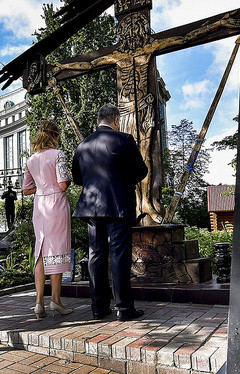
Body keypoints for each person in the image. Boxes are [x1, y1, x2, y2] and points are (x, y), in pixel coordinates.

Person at [72, 104, 148, 321]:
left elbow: (78, 178)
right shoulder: (124, 140)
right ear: (116, 121)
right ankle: (124, 308)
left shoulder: (83, 145)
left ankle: (98, 307)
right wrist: (121, 180)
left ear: (99, 120)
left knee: (95, 255)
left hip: (91, 206)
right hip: (117, 204)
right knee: (119, 254)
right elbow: (141, 170)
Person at [23, 121, 73, 320]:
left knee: (41, 251)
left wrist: (42, 187)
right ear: (55, 136)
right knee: (57, 250)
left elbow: (26, 189)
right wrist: (67, 178)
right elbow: (63, 184)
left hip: (40, 206)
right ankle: (55, 300)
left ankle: (38, 303)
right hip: (56, 205)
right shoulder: (58, 154)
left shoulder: (31, 159)